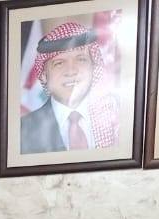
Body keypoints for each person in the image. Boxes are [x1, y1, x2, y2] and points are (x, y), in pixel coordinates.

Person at [20, 21, 120, 155]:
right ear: (44, 75)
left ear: (94, 67)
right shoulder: (23, 130)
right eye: (59, 63)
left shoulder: (118, 120)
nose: (71, 71)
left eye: (81, 59)